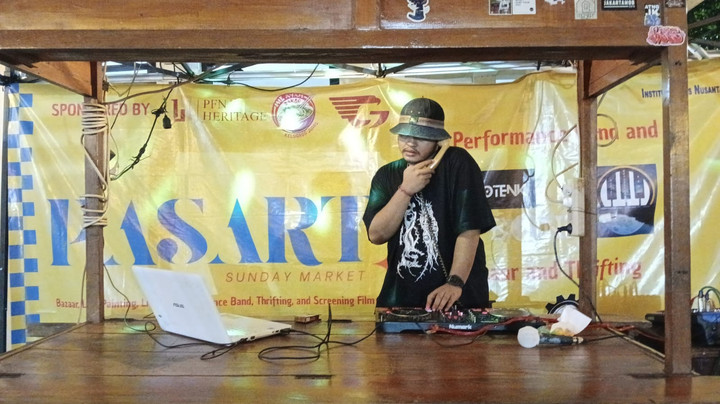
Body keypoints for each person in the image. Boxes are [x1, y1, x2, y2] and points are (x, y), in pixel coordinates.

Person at [363, 97, 496, 312]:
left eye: (421, 137)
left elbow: (469, 230)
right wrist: (406, 189)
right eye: (405, 135)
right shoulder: (386, 174)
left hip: (456, 298)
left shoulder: (457, 162)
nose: (411, 143)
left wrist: (455, 282)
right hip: (401, 299)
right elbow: (376, 234)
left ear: (439, 141)